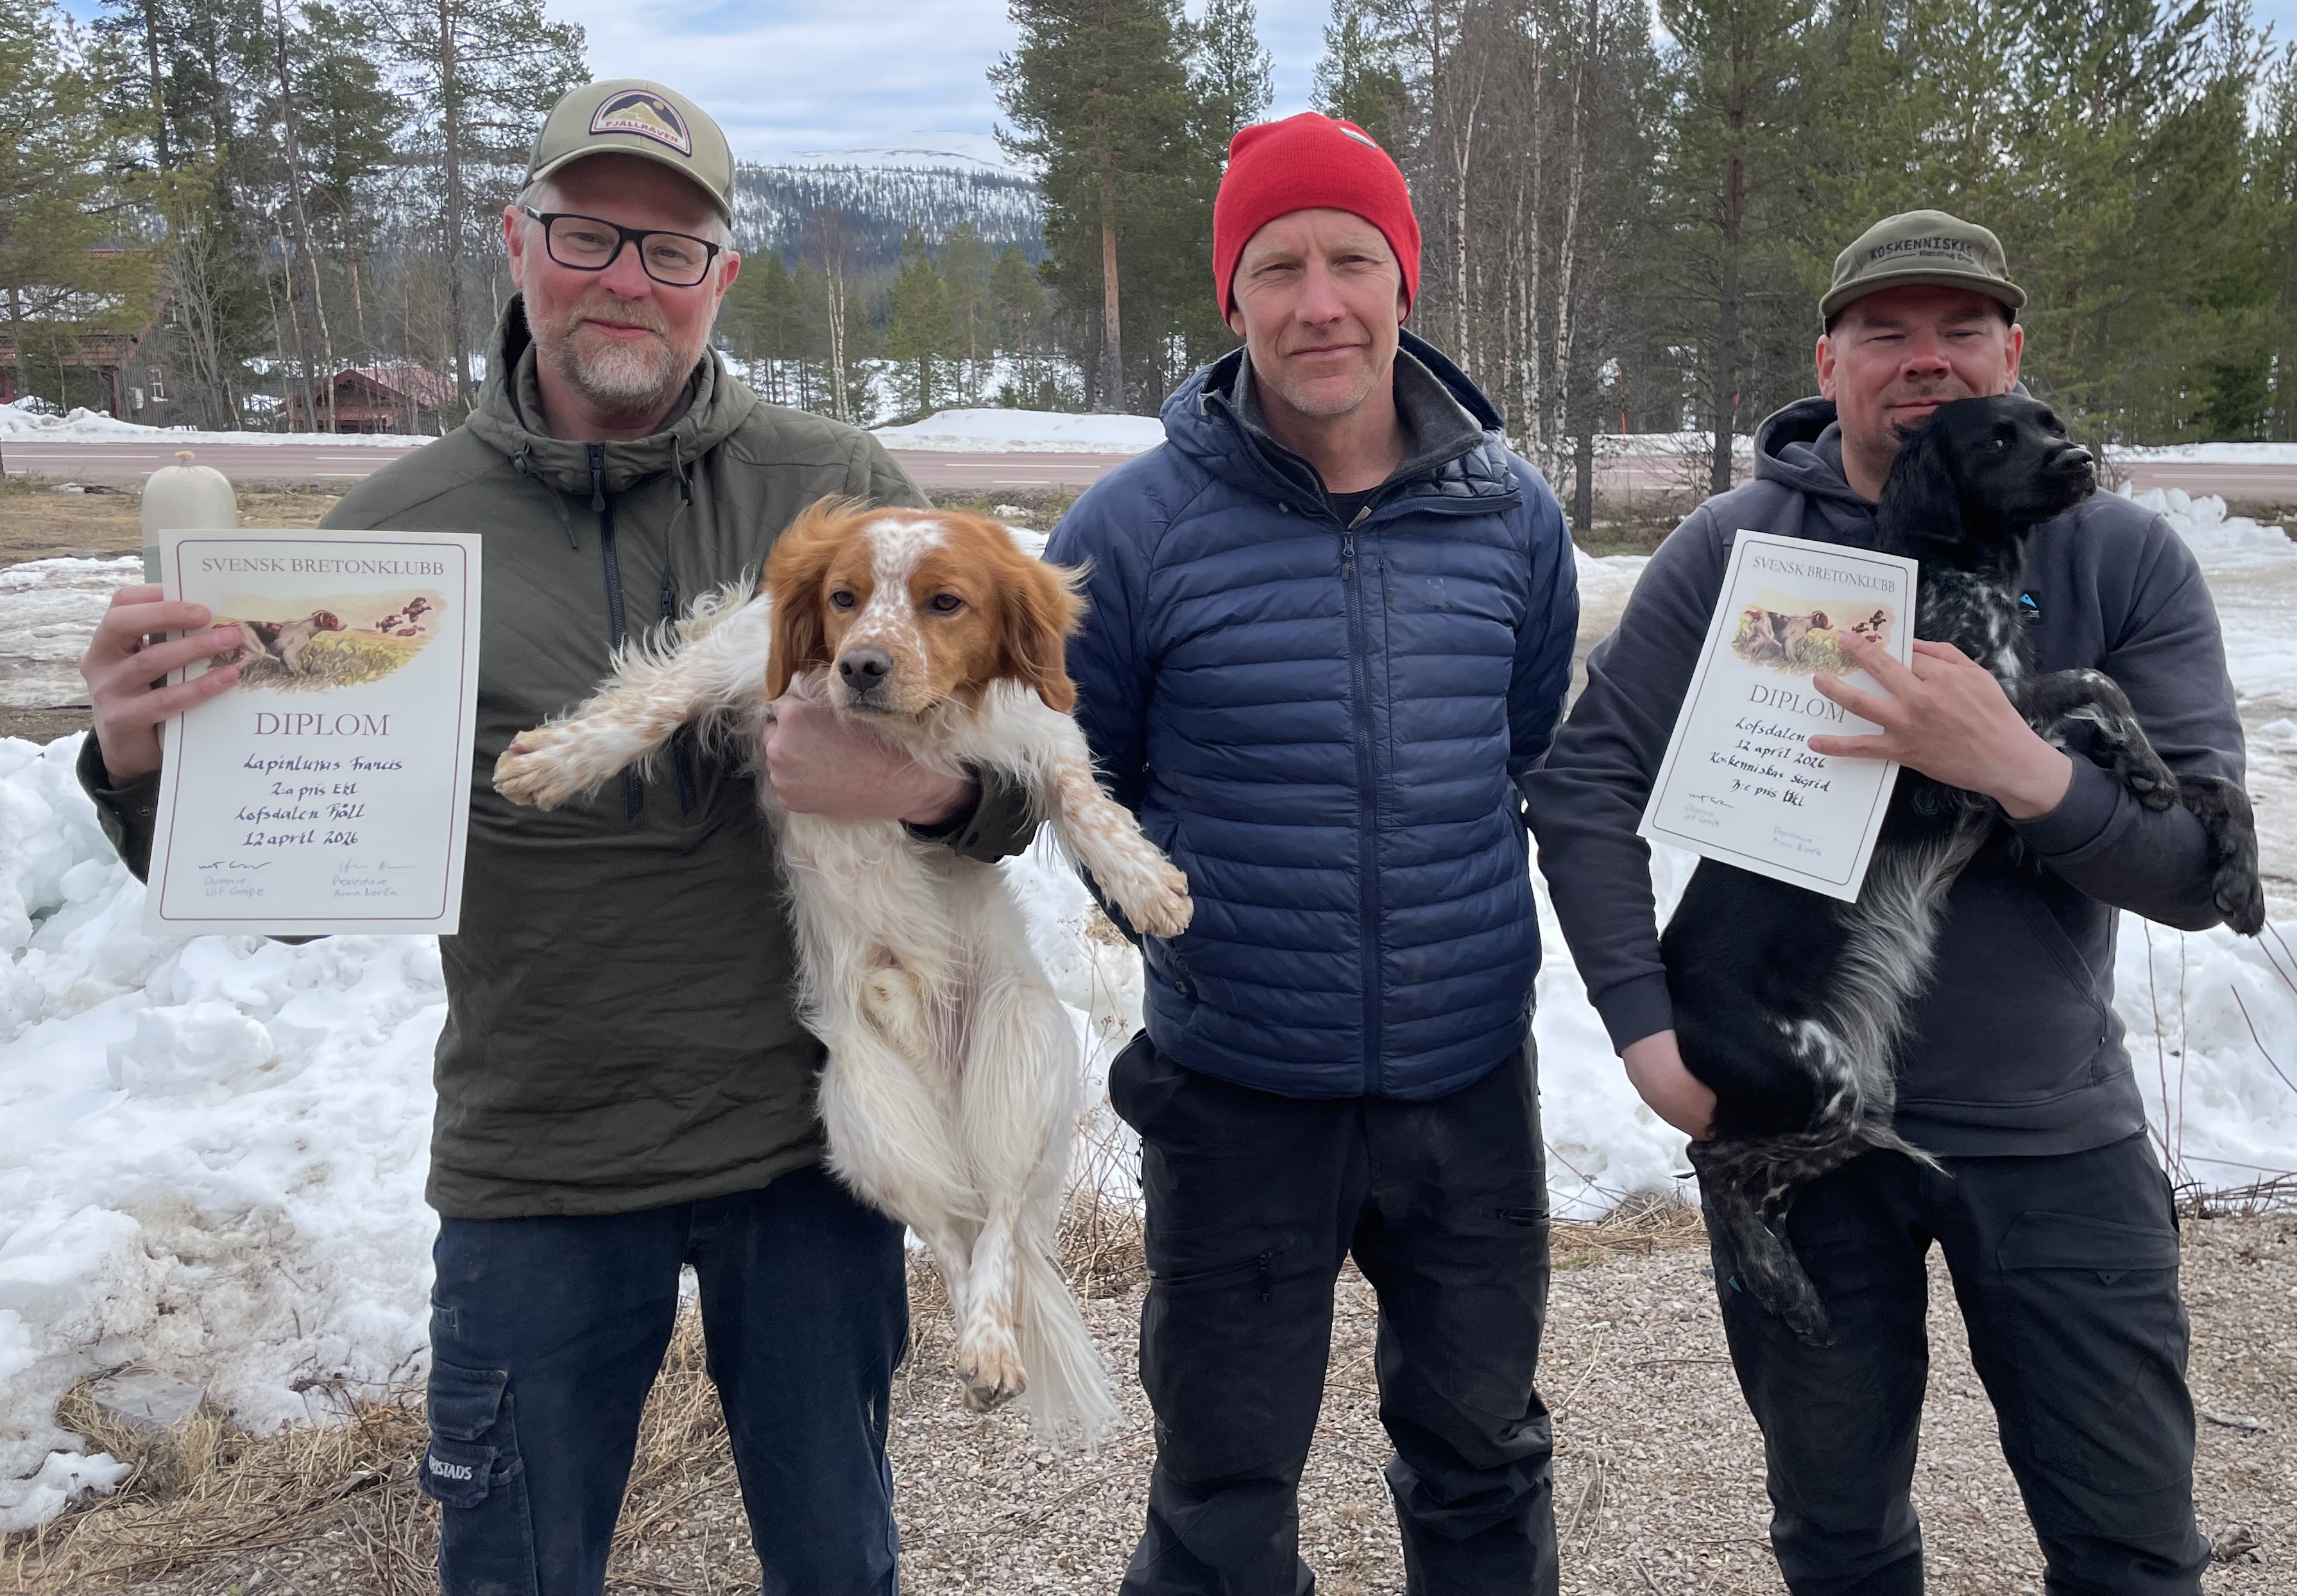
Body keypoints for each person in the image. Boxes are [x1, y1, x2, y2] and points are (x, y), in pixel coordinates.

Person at [74, 78, 1036, 1596]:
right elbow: (284, 870)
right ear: (517, 243)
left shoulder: (836, 500)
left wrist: (930, 794)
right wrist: (141, 760)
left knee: (839, 1563)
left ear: (722, 279)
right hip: (541, 1163)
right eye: (590, 234)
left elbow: (1030, 775)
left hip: (810, 1150)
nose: (626, 280)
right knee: (517, 1568)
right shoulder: (397, 530)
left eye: (672, 250)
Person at [1523, 208, 2241, 1596]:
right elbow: (1584, 779)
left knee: (2132, 1550)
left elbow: (2202, 877)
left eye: (1961, 331)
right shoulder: (1736, 553)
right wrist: (1646, 1040)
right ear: (1830, 360)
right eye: (1887, 333)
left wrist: (2026, 772)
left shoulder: (2119, 558)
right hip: (1796, 1135)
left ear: (2013, 356)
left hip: (2048, 1134)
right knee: (1838, 1541)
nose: (1927, 361)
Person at [1046, 112, 1579, 1596]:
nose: (1319, 300)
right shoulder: (1132, 529)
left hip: (1466, 1083)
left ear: (1406, 283)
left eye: (1354, 257)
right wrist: (1193, 940)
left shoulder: (1515, 521)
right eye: (1277, 265)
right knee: (1222, 1487)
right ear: (1232, 297)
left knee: (1484, 1454)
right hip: (1237, 1097)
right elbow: (1083, 777)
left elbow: (1523, 746)